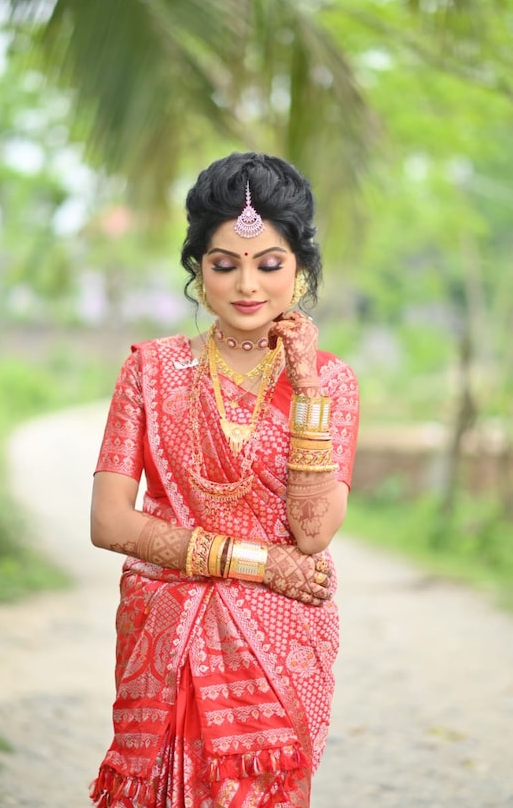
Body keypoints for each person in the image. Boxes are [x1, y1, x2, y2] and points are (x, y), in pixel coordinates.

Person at [89, 151, 359, 808]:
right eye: (224, 263)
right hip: (168, 636)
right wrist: (261, 563)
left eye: (269, 263)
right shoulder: (150, 371)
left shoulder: (330, 382)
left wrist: (305, 388)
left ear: (299, 269)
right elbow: (109, 521)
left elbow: (313, 531)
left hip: (275, 646)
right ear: (197, 269)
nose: (247, 284)